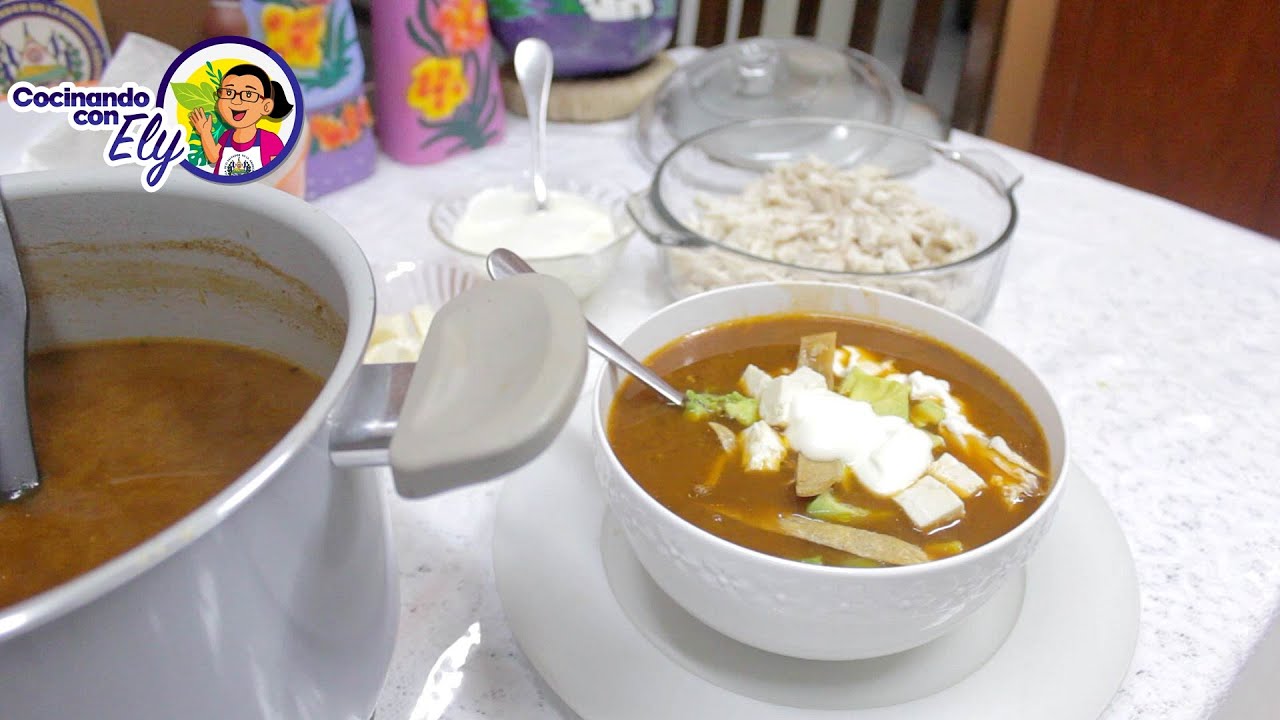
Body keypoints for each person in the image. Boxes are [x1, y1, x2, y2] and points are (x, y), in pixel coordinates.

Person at [189, 63, 294, 176]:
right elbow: (213, 157)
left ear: (266, 106)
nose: (236, 101)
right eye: (228, 93)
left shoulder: (270, 141)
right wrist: (205, 133)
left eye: (248, 94)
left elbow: (278, 175)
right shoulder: (226, 137)